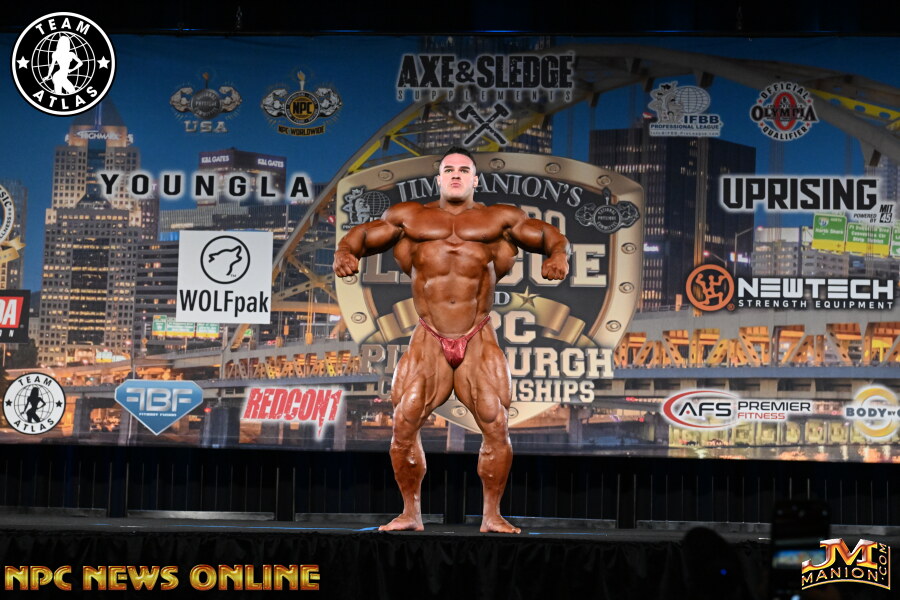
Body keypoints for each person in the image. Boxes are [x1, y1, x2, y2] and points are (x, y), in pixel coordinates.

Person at [333, 146, 570, 533]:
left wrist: (558, 255)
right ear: (439, 178)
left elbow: (548, 235)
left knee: (496, 424)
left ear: (475, 179)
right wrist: (345, 252)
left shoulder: (499, 218)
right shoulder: (410, 217)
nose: (456, 174)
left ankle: (492, 515)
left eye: (463, 170)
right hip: (429, 335)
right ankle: (410, 513)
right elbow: (361, 235)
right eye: (449, 170)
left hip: (477, 335)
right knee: (403, 424)